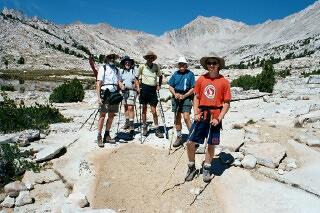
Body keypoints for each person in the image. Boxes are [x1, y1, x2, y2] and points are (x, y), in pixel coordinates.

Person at [185, 55, 231, 183]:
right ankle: (191, 167)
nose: (211, 65)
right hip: (201, 114)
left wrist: (219, 118)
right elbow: (196, 97)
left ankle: (207, 168)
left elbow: (226, 103)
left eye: (214, 63)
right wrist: (195, 113)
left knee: (211, 144)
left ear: (218, 65)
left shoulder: (224, 82)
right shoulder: (201, 79)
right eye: (209, 63)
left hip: (216, 116)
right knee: (190, 142)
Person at [96, 53, 125, 147]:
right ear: (107, 59)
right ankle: (99, 136)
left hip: (114, 93)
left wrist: (122, 86)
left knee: (111, 115)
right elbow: (99, 83)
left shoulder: (117, 70)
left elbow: (119, 81)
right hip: (105, 93)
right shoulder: (103, 68)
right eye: (110, 57)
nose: (112, 59)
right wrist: (99, 97)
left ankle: (107, 135)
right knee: (103, 115)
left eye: (113, 58)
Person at [168, 56, 195, 147]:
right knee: (177, 117)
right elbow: (170, 86)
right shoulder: (175, 74)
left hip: (186, 96)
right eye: (180, 64)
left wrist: (185, 95)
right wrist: (175, 93)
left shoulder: (190, 74)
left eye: (183, 64)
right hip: (176, 97)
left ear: (186, 65)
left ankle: (192, 138)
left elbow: (192, 88)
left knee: (186, 116)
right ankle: (179, 137)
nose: (181, 66)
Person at [137, 51, 164, 138]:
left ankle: (156, 128)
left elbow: (160, 76)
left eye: (152, 58)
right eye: (148, 57)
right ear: (146, 58)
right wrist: (138, 87)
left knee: (154, 110)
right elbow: (137, 77)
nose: (150, 59)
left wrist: (159, 85)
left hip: (152, 89)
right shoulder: (142, 66)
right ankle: (144, 126)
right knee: (144, 109)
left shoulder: (156, 66)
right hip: (144, 89)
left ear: (153, 59)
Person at [119, 56, 139, 140]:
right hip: (123, 92)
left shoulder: (133, 71)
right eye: (126, 62)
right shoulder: (121, 71)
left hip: (131, 91)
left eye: (128, 62)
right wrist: (121, 86)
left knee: (130, 107)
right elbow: (119, 80)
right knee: (125, 107)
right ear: (124, 63)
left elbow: (136, 80)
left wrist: (138, 89)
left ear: (131, 63)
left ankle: (131, 126)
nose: (127, 63)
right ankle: (127, 122)